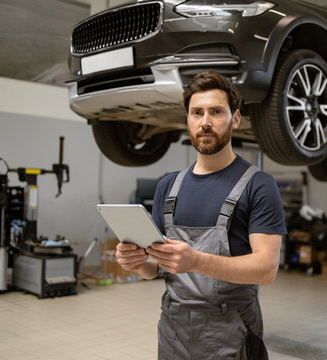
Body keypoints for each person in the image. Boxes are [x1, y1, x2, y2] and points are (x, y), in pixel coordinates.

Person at [115, 70, 287, 360]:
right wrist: (135, 262)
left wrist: (196, 261)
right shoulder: (168, 186)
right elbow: (152, 269)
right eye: (197, 113)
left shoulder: (259, 185)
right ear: (188, 120)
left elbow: (265, 269)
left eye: (216, 112)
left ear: (235, 118)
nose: (205, 122)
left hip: (232, 332)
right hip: (173, 331)